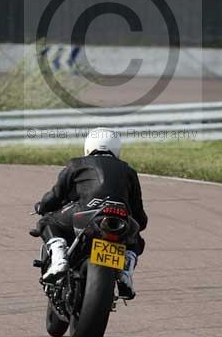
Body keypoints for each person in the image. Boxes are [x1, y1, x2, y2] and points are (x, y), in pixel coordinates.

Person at [34, 128, 147, 299]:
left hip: (87, 213)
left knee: (47, 222)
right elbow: (139, 214)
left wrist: (42, 207)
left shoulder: (76, 164)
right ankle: (126, 272)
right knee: (135, 239)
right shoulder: (128, 170)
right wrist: (137, 223)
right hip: (120, 218)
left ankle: (59, 259)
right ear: (116, 149)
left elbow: (56, 195)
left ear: (88, 146)